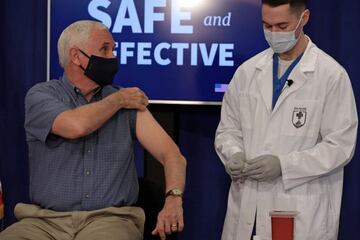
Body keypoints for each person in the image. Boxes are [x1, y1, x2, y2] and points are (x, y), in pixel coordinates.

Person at [0, 20, 186, 240]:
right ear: (76, 56)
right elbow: (75, 126)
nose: (113, 57)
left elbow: (172, 155)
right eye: (104, 50)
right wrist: (118, 100)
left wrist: (174, 198)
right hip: (45, 222)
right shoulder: (42, 95)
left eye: (113, 50)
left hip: (109, 219)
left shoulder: (129, 104)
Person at [215, 0, 358, 239]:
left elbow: (340, 146)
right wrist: (233, 154)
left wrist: (284, 165)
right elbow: (227, 130)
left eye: (282, 26)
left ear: (304, 18)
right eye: (266, 26)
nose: (273, 34)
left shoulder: (330, 75)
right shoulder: (247, 72)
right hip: (248, 210)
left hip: (301, 211)